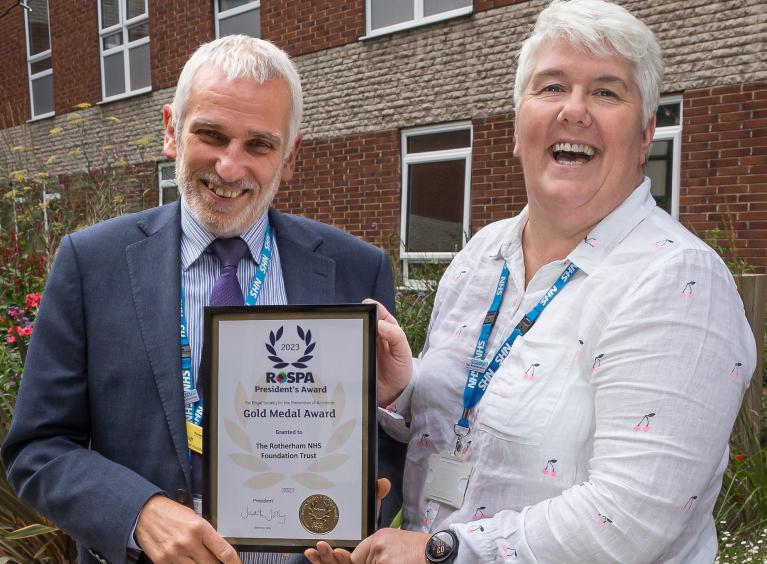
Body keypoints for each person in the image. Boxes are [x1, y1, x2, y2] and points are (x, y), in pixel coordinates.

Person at [305, 1, 757, 563]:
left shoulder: (677, 281)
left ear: (645, 135)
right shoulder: (481, 255)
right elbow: (468, 425)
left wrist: (438, 552)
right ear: (518, 126)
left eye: (606, 92)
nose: (575, 110)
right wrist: (404, 390)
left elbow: (631, 519)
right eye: (551, 87)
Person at [1, 36, 404, 564]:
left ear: (290, 156)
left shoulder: (357, 269)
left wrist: (362, 512)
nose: (231, 168)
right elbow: (37, 448)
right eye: (211, 135)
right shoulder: (91, 263)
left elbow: (385, 445)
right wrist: (138, 511)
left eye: (259, 145)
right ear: (172, 130)